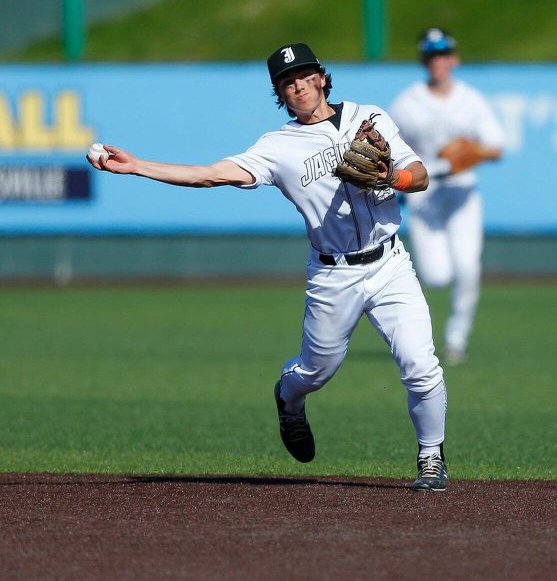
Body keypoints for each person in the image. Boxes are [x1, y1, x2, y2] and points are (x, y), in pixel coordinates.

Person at [86, 43, 449, 492]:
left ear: (321, 77)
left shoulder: (369, 117)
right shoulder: (278, 147)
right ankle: (288, 396)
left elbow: (421, 174)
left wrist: (393, 178)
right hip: (333, 274)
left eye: (304, 75)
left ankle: (431, 456)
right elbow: (210, 174)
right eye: (287, 82)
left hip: (390, 263)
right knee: (316, 372)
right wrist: (138, 166)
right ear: (281, 93)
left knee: (420, 363)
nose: (298, 85)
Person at [389, 28, 505, 365]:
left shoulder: (470, 99)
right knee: (437, 275)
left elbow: (496, 148)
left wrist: (473, 151)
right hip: (424, 195)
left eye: (442, 54)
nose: (437, 61)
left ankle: (456, 339)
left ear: (454, 59)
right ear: (424, 61)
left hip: (462, 192)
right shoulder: (408, 103)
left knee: (468, 267)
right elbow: (392, 147)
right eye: (431, 56)